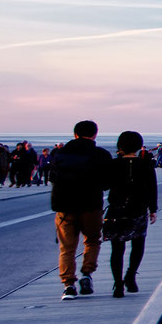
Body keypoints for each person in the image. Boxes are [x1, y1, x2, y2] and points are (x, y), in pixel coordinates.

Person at [50, 120, 111, 299]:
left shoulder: (60, 153)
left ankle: (68, 285)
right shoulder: (101, 154)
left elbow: (52, 176)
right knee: (92, 240)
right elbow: (107, 183)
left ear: (75, 134)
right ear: (95, 134)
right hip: (91, 205)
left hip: (64, 207)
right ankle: (86, 273)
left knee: (67, 247)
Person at [104, 131, 158, 297]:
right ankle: (130, 276)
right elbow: (152, 188)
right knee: (138, 244)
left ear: (120, 146)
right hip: (138, 209)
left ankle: (118, 284)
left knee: (117, 248)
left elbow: (106, 185)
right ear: (138, 146)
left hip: (116, 210)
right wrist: (153, 209)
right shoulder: (146, 164)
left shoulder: (113, 164)